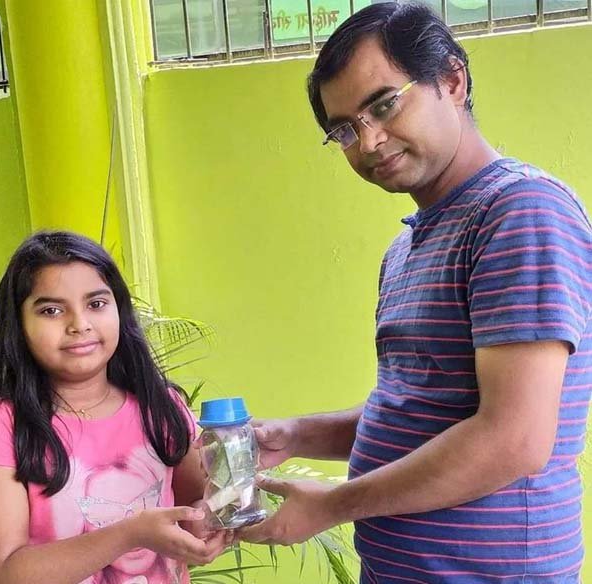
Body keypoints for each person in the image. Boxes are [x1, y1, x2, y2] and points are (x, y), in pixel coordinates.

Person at [238, 2, 592, 582]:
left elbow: (515, 439)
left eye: (383, 104)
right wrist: (297, 435)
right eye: (344, 129)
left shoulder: (519, 212)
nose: (369, 141)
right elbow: (419, 408)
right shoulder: (407, 247)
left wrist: (333, 505)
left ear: (452, 81)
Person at [0, 231, 231, 584]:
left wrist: (207, 525)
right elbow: (2, 574)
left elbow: (194, 505)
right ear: (19, 324)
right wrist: (130, 534)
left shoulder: (159, 406)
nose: (79, 324)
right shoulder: (0, 423)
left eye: (96, 304)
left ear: (119, 310)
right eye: (51, 310)